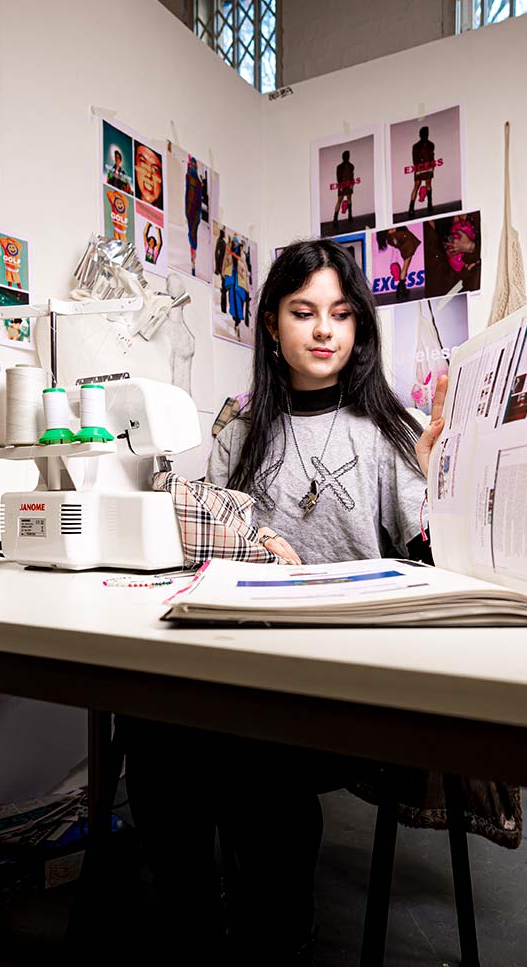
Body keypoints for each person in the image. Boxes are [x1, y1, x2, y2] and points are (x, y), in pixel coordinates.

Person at [127, 239, 447, 964]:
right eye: (304, 312)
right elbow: (203, 541)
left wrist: (440, 486)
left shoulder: (391, 432)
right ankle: (198, 925)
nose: (324, 330)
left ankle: (278, 938)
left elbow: (435, 560)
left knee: (258, 764)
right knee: (151, 735)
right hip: (240, 659)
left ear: (360, 326)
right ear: (271, 323)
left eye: (340, 313)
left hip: (342, 679)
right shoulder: (239, 428)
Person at [407, 124, 436, 215]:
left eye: (426, 133)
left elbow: (432, 156)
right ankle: (411, 208)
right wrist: (418, 168)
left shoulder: (430, 144)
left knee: (427, 184)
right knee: (417, 186)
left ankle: (429, 204)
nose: (425, 135)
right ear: (420, 134)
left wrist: (432, 167)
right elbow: (415, 158)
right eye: (424, 133)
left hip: (426, 166)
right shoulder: (417, 146)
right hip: (421, 167)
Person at [333, 149, 355, 222]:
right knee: (339, 200)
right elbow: (338, 177)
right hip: (342, 185)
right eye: (346, 156)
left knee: (349, 199)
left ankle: (350, 216)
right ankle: (335, 219)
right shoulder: (339, 167)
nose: (347, 157)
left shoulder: (351, 166)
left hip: (349, 185)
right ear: (343, 157)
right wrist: (340, 186)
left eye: (348, 156)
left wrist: (352, 185)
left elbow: (352, 176)